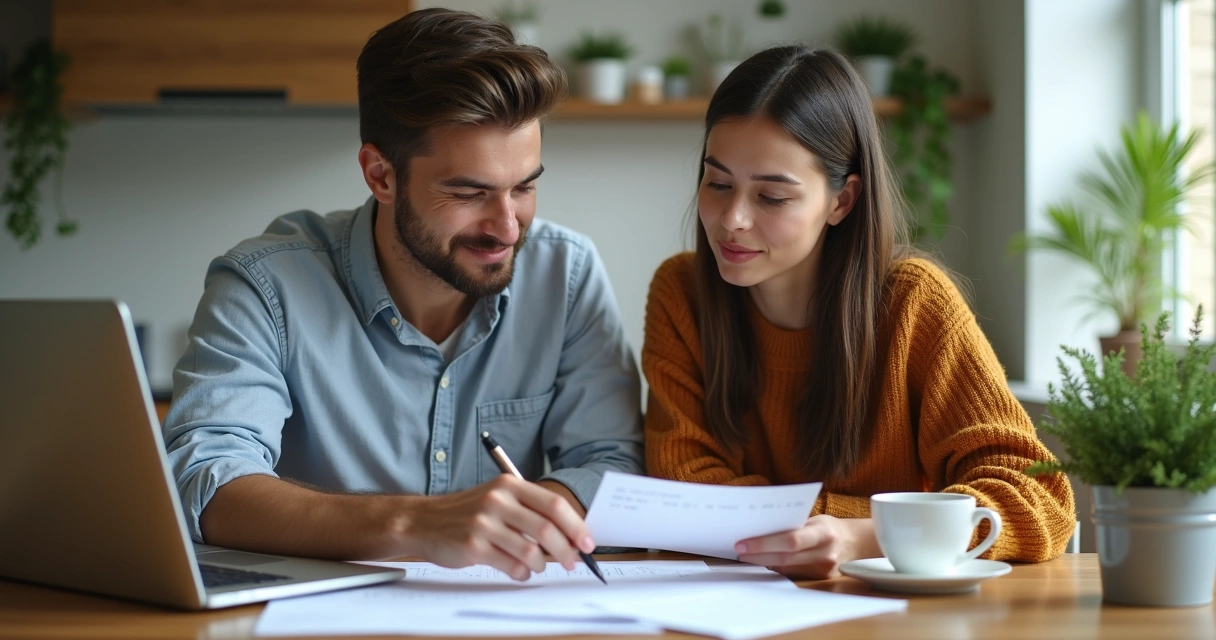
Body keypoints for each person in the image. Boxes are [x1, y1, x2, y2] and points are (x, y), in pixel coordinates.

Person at [162, 8, 643, 582]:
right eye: (469, 193)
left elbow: (609, 462)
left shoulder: (565, 274)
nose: (508, 227)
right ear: (380, 175)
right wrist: (420, 525)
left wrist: (530, 519)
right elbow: (206, 481)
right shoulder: (265, 284)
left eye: (525, 187)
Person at [642, 45, 1075, 579]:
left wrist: (865, 537)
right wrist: (861, 521)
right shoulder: (681, 292)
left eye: (772, 198)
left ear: (842, 201)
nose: (732, 219)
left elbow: (1039, 496)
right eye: (718, 182)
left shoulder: (914, 302)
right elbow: (682, 484)